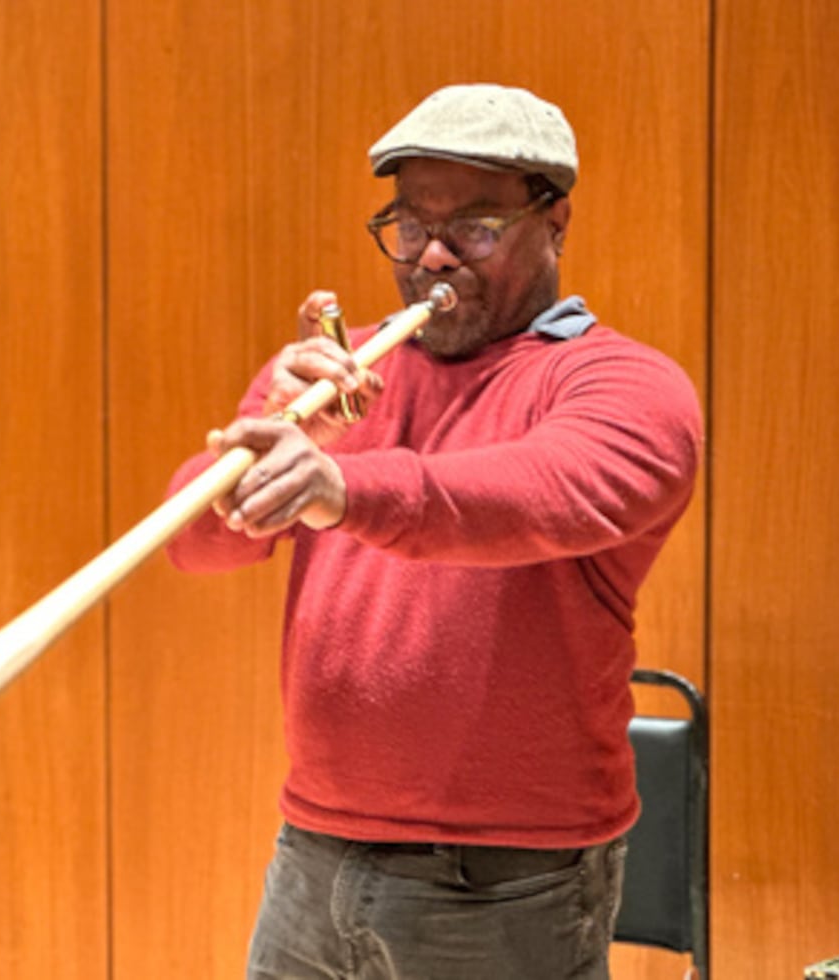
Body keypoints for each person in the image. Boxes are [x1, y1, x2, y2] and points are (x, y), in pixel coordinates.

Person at [166, 83, 702, 980]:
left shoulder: (621, 385)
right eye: (410, 230)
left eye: (477, 230)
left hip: (504, 877)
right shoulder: (340, 378)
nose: (435, 260)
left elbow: (536, 493)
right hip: (313, 847)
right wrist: (285, 440)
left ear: (555, 222)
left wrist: (341, 485)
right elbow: (192, 543)